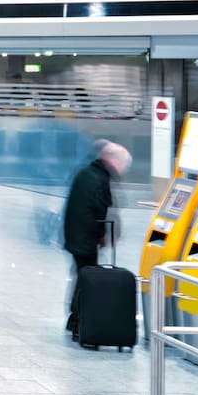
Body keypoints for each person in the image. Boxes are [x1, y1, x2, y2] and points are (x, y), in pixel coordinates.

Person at [61, 141, 131, 331]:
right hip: (84, 238)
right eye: (123, 166)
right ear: (114, 161)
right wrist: (102, 235)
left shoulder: (89, 173)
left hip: (76, 234)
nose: (122, 171)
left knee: (81, 276)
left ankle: (74, 318)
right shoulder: (99, 178)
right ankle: (79, 321)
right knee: (86, 279)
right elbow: (99, 210)